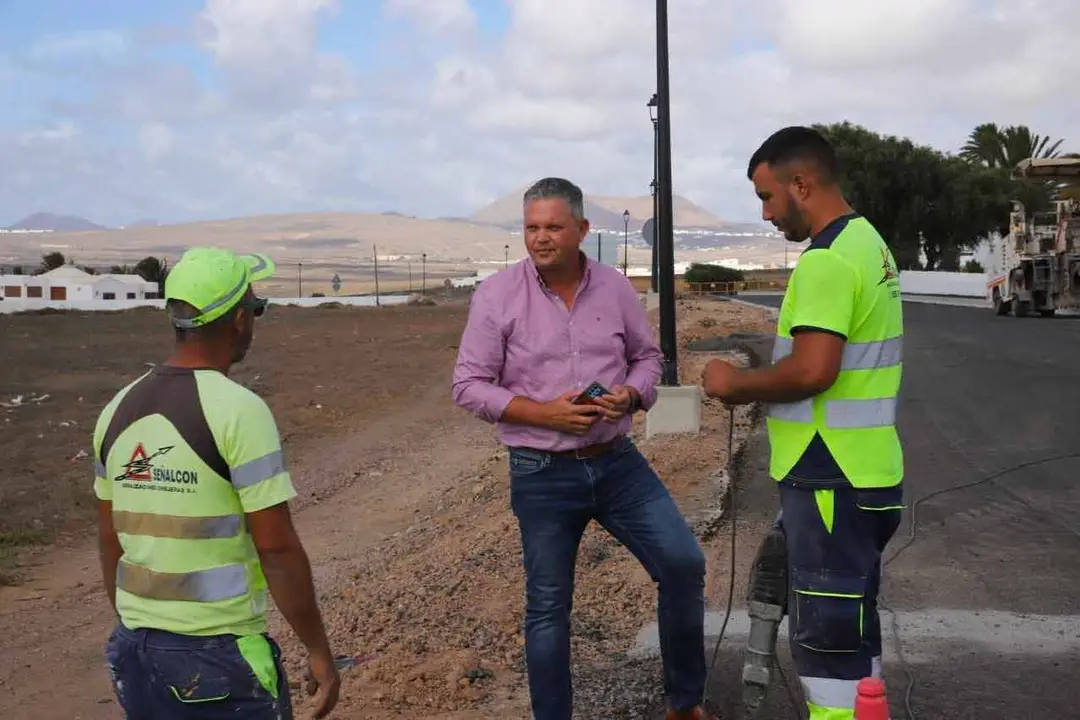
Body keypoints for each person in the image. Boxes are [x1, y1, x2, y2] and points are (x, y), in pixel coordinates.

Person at [452, 177, 717, 720]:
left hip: (617, 463)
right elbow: (468, 386)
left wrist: (632, 395)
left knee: (684, 564)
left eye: (553, 227)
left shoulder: (615, 288)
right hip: (541, 470)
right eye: (531, 227)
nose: (540, 238)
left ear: (581, 230)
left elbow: (649, 358)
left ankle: (685, 704)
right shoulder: (497, 296)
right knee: (548, 608)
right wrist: (543, 411)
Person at [702, 126, 904, 720]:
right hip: (866, 472)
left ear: (802, 183)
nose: (765, 214)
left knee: (827, 641)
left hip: (830, 476)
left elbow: (815, 369)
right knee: (853, 626)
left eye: (767, 198)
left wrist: (734, 385)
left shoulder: (826, 260)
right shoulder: (869, 244)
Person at [92, 247, 341, 719]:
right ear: (238, 320)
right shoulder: (239, 412)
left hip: (136, 651)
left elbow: (109, 538)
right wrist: (318, 650)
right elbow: (277, 549)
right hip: (217, 656)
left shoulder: (117, 409)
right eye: (256, 308)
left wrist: (141, 626)